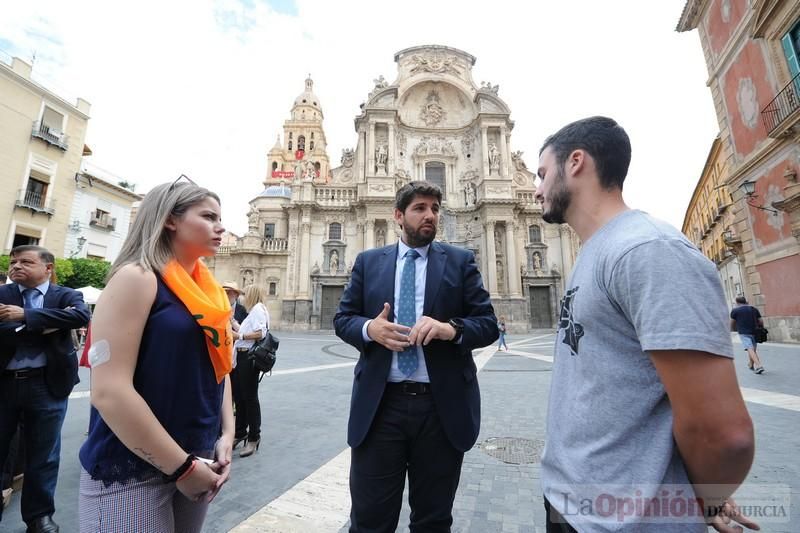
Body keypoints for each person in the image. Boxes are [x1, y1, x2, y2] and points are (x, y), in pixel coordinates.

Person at [534, 117, 757, 532]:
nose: (536, 188)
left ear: (576, 162)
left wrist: (704, 499)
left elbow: (725, 432)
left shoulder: (649, 251)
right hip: (574, 507)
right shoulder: (595, 252)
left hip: (625, 521)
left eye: (543, 173)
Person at [335, 181, 498, 533]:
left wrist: (449, 329)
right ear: (398, 215)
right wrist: (369, 330)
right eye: (420, 208)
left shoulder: (459, 261)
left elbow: (488, 325)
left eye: (435, 209)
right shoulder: (368, 262)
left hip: (439, 411)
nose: (430, 216)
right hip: (381, 408)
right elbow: (343, 319)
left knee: (433, 520)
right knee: (369, 520)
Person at [78, 179, 235, 532]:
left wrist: (226, 434)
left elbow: (219, 369)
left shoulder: (210, 293)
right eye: (209, 216)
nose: (221, 226)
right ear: (170, 219)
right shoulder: (137, 278)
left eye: (220, 218)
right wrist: (182, 467)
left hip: (198, 457)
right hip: (135, 466)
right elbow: (109, 391)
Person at [0, 245, 91, 533]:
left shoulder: (66, 295)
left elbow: (80, 317)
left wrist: (24, 316)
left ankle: (39, 517)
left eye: (25, 262)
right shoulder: (3, 294)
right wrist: (47, 323)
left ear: (48, 268)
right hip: (4, 384)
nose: (16, 266)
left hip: (48, 385)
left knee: (45, 454)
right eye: (13, 262)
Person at [232, 284, 270, 458]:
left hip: (248, 358)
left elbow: (260, 333)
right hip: (241, 357)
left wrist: (238, 336)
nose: (242, 298)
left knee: (250, 398)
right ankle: (240, 432)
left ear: (252, 295)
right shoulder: (253, 311)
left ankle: (254, 437)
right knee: (239, 397)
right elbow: (246, 331)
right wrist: (233, 323)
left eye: (245, 294)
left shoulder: (258, 310)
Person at [222, 281, 248, 450]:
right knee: (224, 395)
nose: (227, 295)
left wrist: (234, 331)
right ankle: (224, 428)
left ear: (236, 296)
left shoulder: (241, 311)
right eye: (225, 292)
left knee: (239, 395)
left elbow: (244, 332)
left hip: (237, 357)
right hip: (223, 356)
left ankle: (239, 430)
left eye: (230, 292)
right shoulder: (219, 307)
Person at [730, 296, 765, 374]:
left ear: (737, 302)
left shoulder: (735, 311)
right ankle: (751, 364)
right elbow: (761, 320)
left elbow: (732, 322)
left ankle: (759, 366)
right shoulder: (754, 309)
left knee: (750, 349)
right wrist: (762, 328)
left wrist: (732, 330)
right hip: (755, 332)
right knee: (752, 349)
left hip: (743, 332)